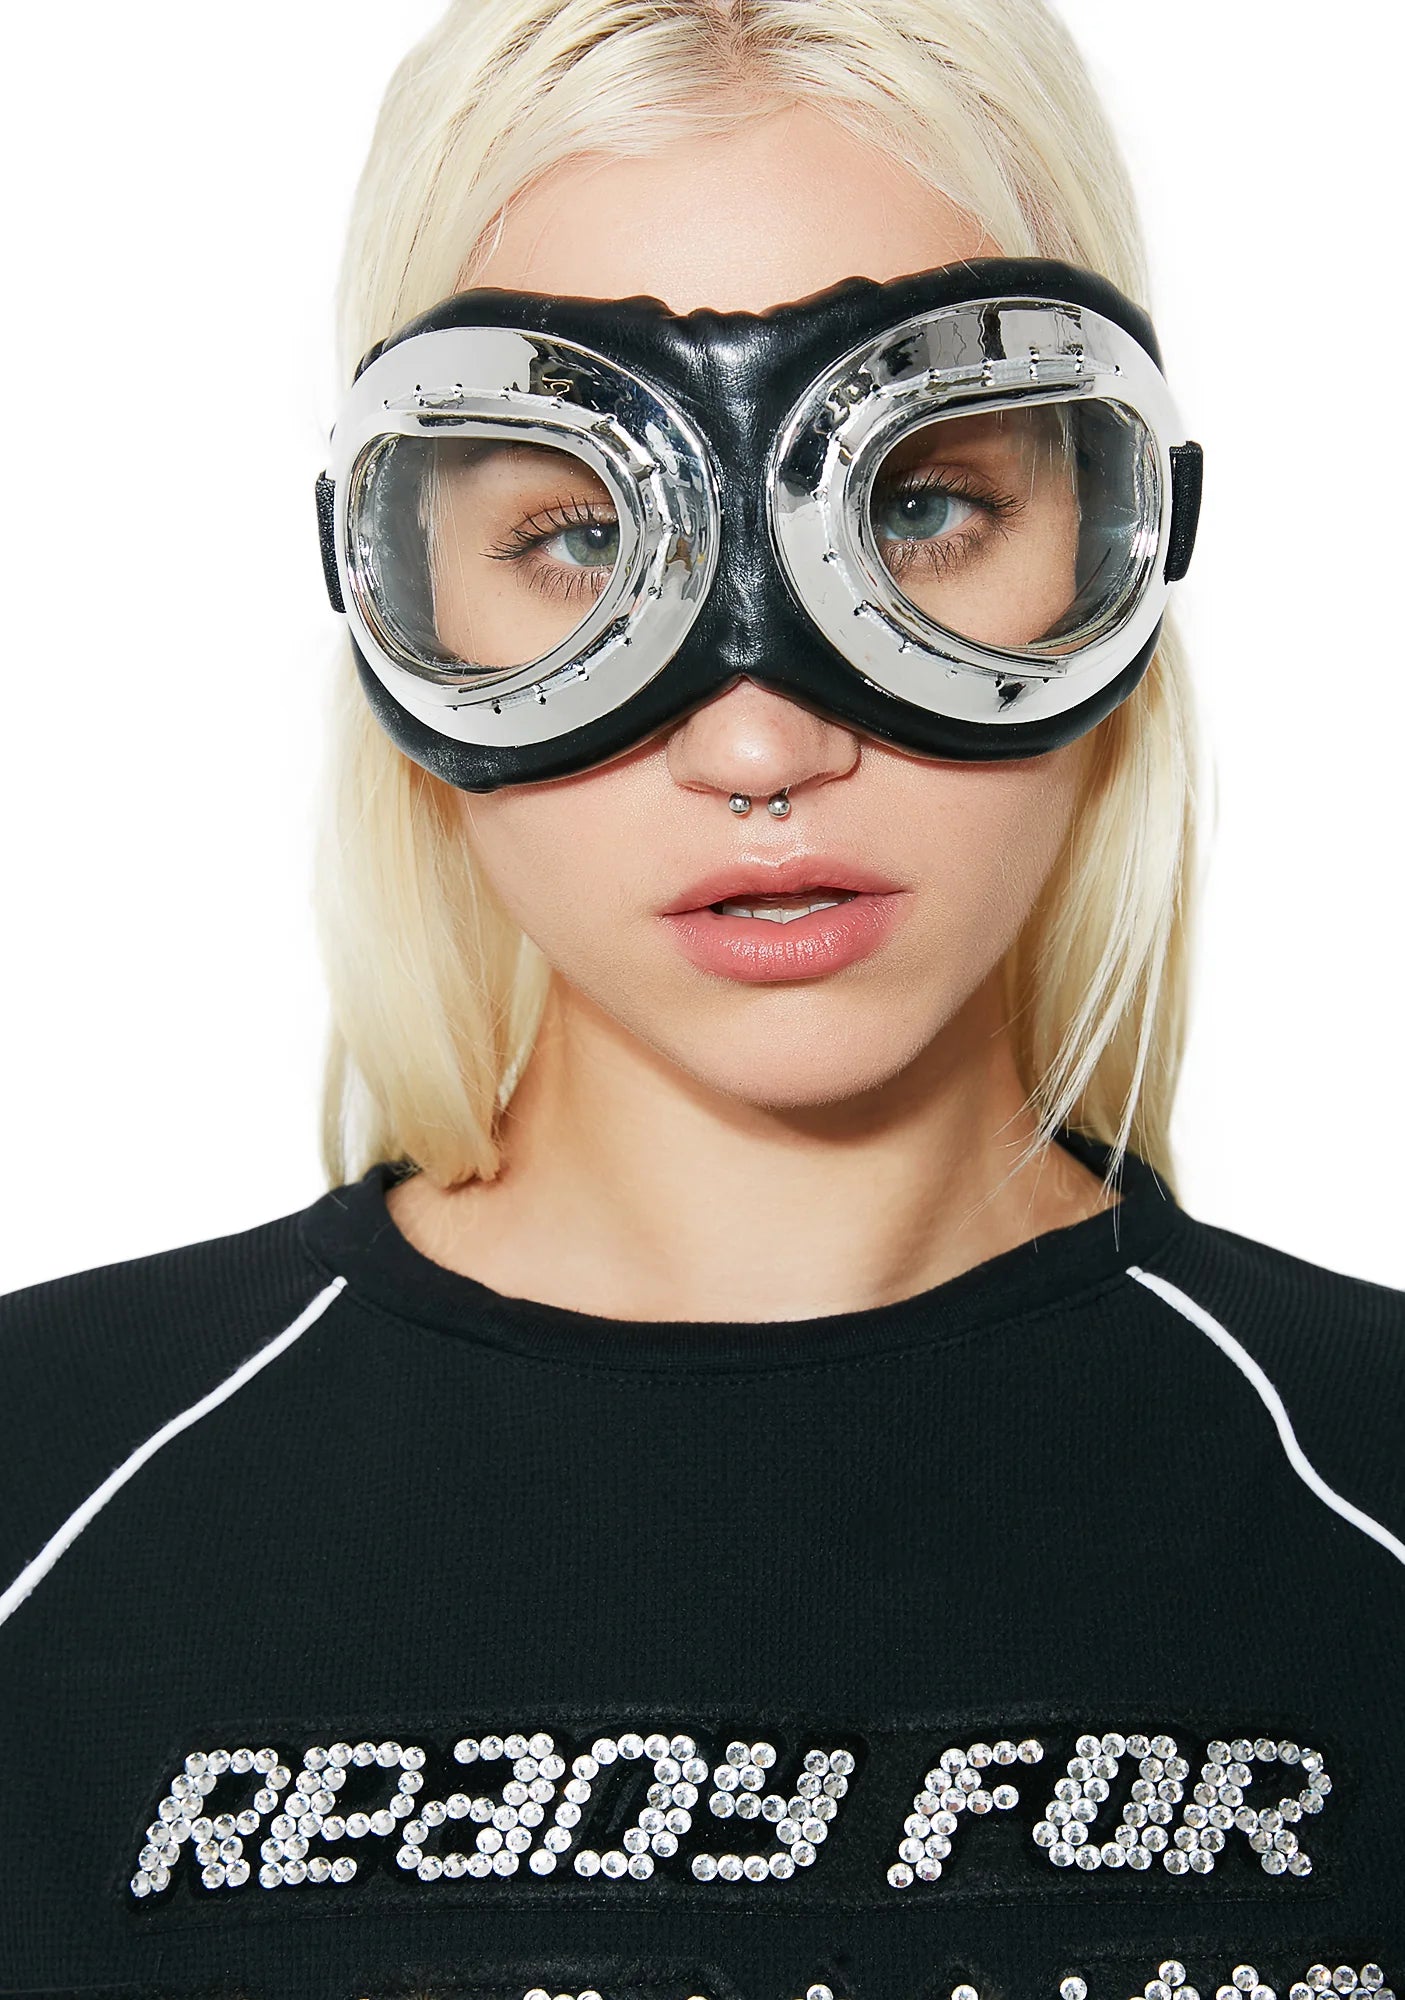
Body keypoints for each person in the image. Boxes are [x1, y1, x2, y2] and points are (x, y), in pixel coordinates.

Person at [1, 3, 1401, 1998]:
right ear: (391, 592)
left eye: (918, 508)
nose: (759, 739)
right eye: (579, 535)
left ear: (1122, 536)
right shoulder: (42, 1503)